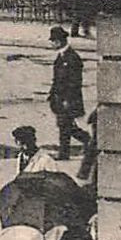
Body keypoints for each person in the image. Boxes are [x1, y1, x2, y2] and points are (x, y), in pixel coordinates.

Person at [48, 26, 90, 160]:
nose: (52, 44)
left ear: (59, 42)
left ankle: (66, 152)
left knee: (65, 126)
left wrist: (67, 99)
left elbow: (75, 82)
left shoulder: (72, 58)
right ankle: (87, 142)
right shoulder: (62, 56)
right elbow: (56, 80)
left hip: (68, 99)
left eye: (53, 41)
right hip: (60, 98)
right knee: (65, 126)